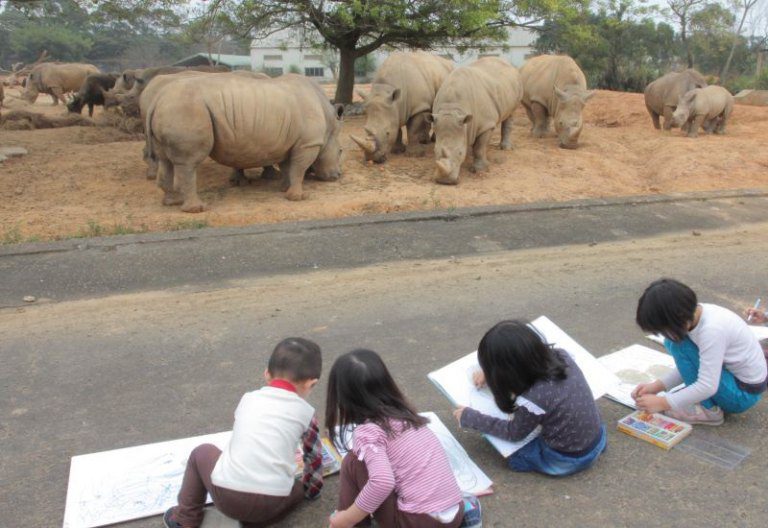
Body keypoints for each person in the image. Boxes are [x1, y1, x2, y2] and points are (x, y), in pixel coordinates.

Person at [163, 338, 324, 528]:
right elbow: (314, 460)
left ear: (267, 374)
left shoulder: (248, 399)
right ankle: (247, 524)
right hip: (271, 504)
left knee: (201, 452)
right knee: (299, 489)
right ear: (310, 384)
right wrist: (311, 490)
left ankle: (185, 519)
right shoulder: (307, 414)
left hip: (227, 497)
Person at [326, 349, 472, 528]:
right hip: (455, 513)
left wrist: (348, 517)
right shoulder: (407, 416)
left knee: (353, 461)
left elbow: (382, 482)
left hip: (418, 522)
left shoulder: (368, 432)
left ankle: (347, 524)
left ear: (343, 398)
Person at [455, 320, 606, 477]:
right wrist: (490, 372)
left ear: (507, 372)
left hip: (567, 459)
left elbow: (514, 433)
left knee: (517, 457)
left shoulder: (534, 398)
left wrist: (471, 418)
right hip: (597, 438)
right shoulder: (561, 356)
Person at [634, 279, 767, 425]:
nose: (664, 334)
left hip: (742, 396)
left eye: (664, 330)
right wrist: (656, 386)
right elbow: (692, 364)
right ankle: (706, 404)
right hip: (737, 383)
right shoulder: (698, 314)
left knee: (678, 344)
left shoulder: (712, 330)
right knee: (677, 342)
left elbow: (706, 385)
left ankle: (709, 412)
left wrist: (663, 402)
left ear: (678, 318)